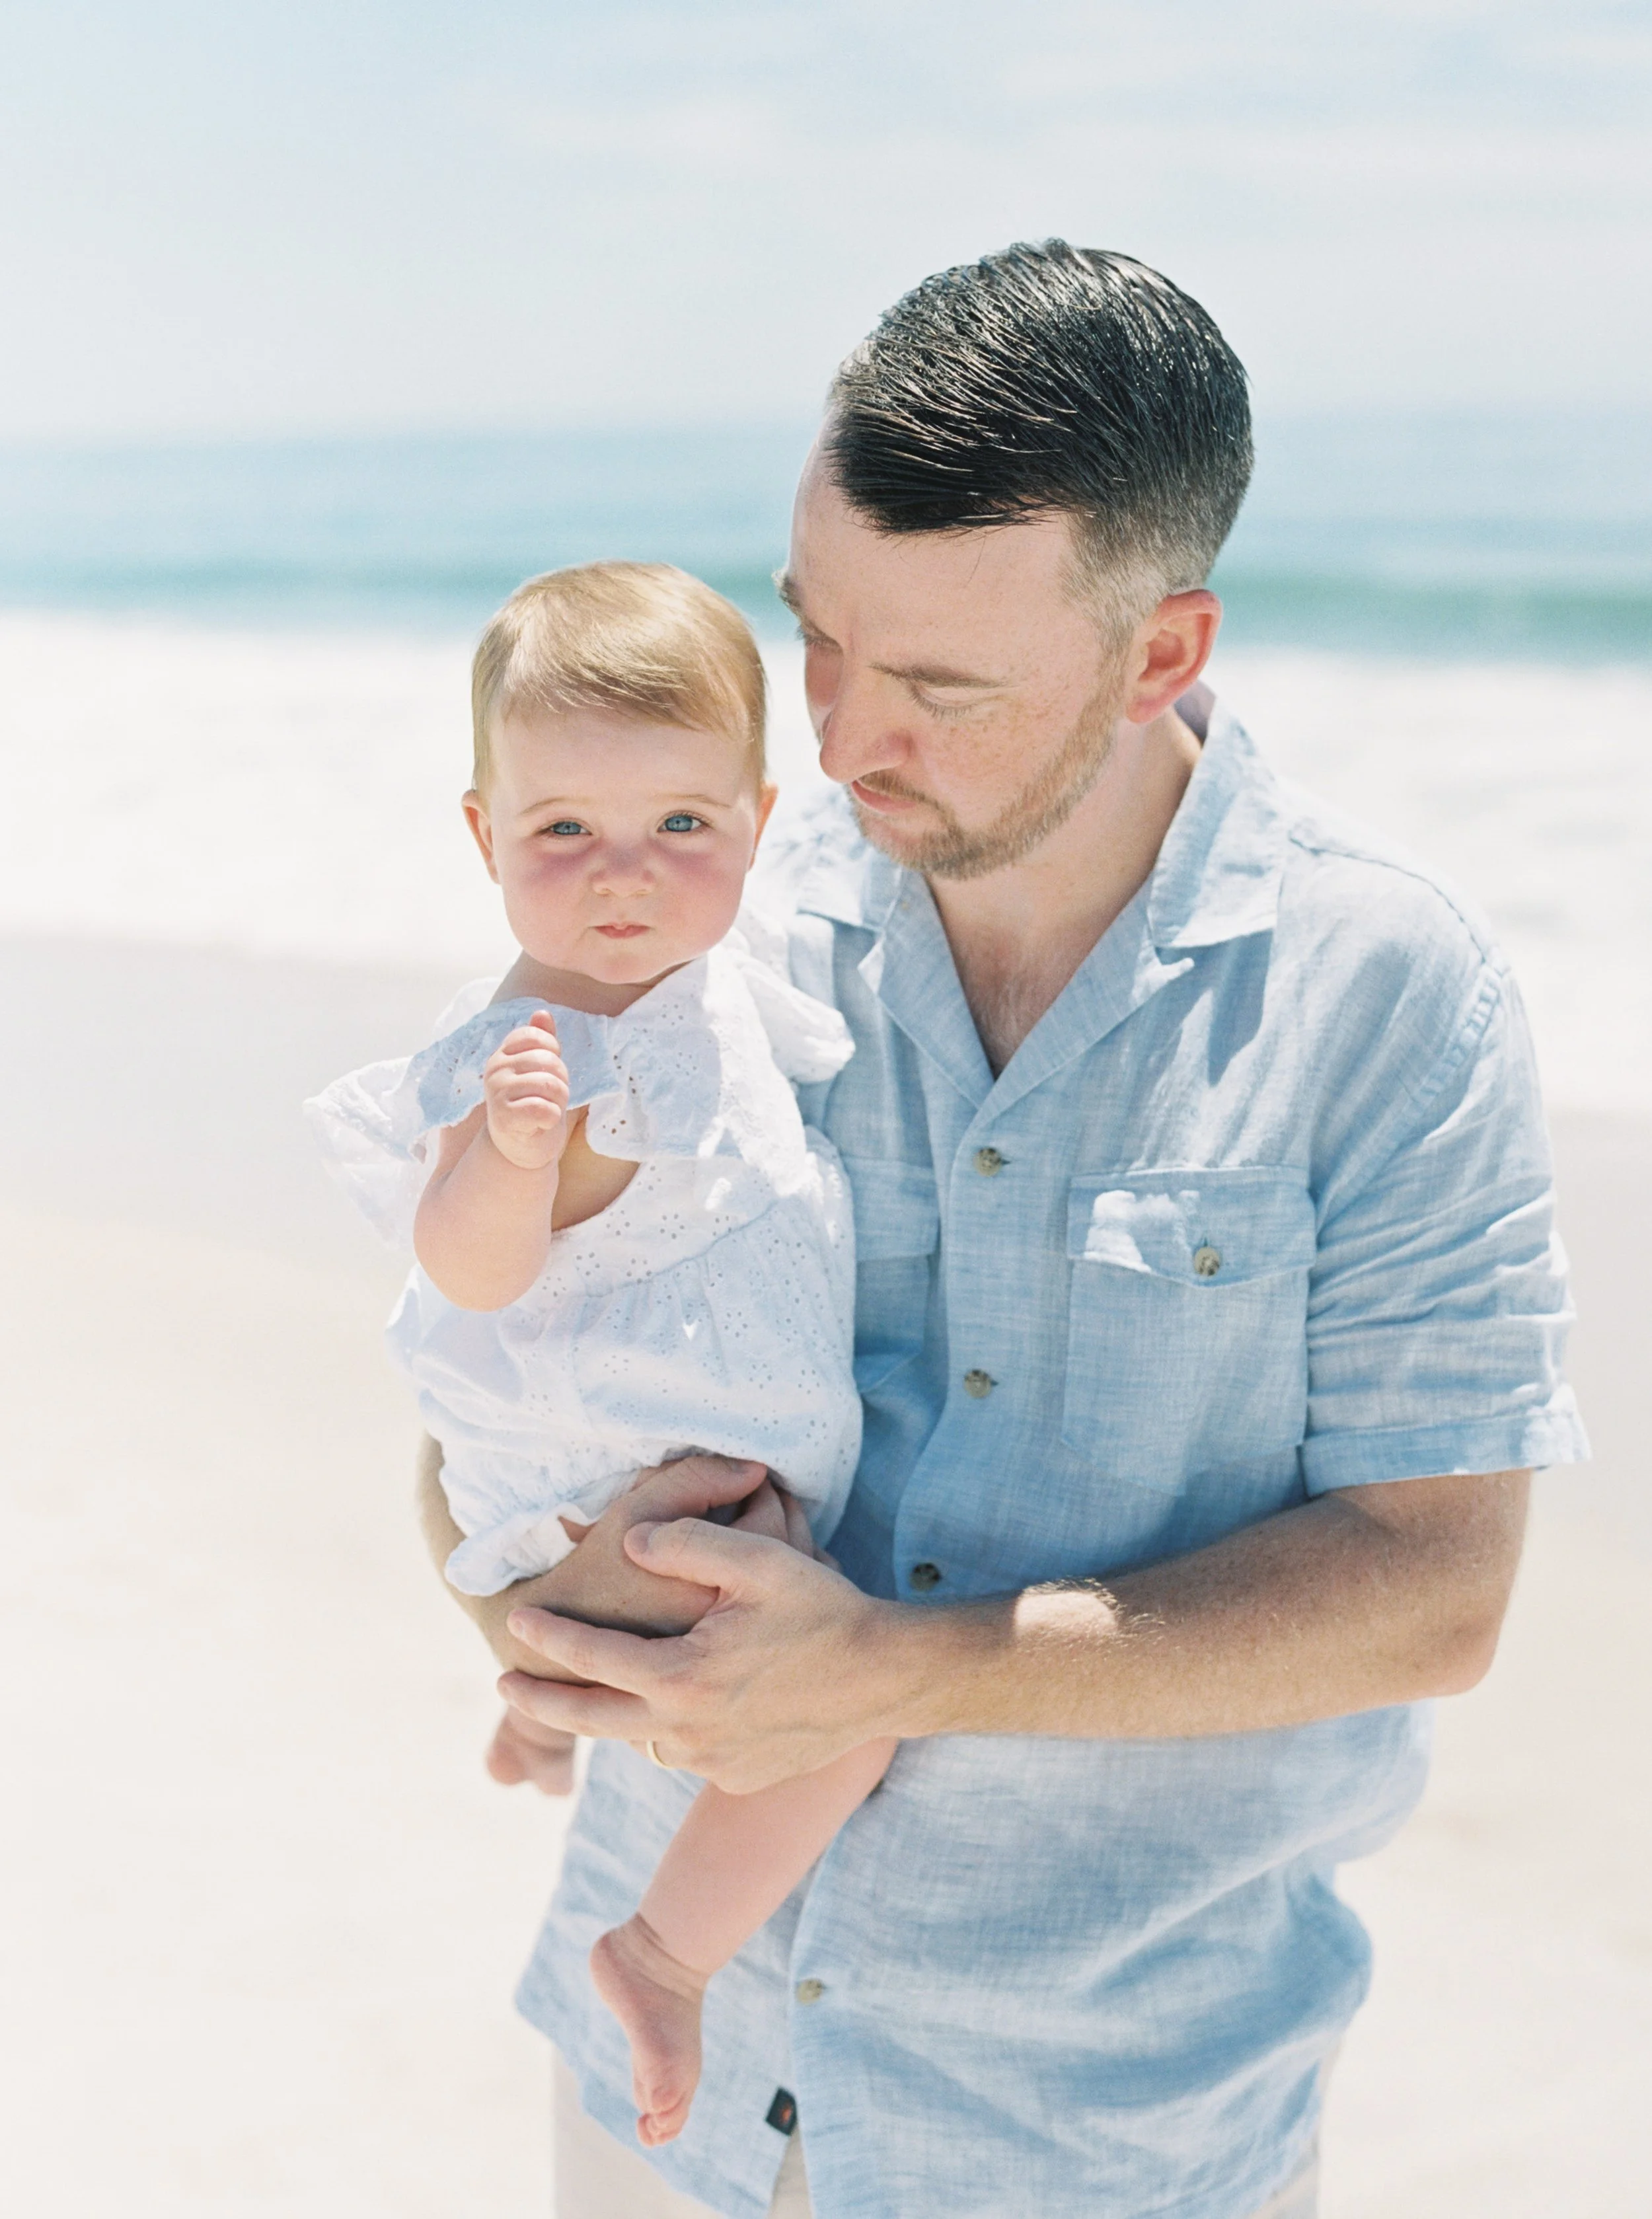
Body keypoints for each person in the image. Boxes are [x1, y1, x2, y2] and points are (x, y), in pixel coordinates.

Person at [430, 244, 1587, 2219]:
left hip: (1097, 2126)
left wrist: (899, 1665)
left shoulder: (1390, 995)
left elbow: (1434, 1589)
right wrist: (513, 1610)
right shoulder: (717, 917)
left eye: (942, 686)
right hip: (661, 2082)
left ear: (1159, 653)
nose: (843, 739)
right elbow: (495, 1337)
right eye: (818, 638)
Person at [307, 562, 897, 2151]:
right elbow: (466, 1265)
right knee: (848, 1707)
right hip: (612, 1490)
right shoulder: (539, 1055)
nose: (622, 877)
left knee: (728, 1631)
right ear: (486, 837)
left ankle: (543, 1700)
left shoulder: (693, 964)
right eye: (564, 831)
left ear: (756, 822)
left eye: (679, 829)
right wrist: (506, 1150)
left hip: (635, 1470)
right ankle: (660, 1950)